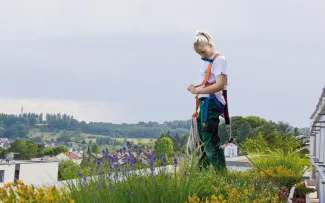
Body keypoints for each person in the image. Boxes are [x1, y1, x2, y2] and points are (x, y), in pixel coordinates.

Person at [187, 30, 228, 171]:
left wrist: (197, 90)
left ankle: (220, 174)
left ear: (210, 45)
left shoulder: (219, 60)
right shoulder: (206, 61)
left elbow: (220, 84)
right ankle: (201, 172)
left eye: (203, 51)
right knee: (204, 140)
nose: (201, 55)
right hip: (205, 103)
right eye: (199, 53)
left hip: (211, 103)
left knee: (210, 140)